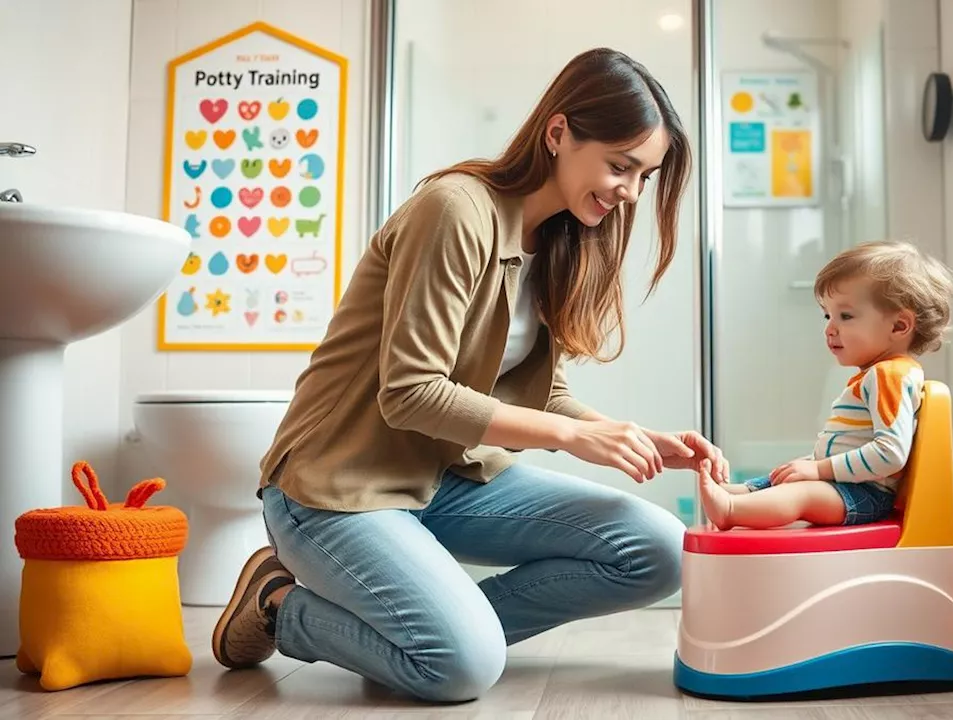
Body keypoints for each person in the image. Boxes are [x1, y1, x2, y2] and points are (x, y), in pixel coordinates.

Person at [209, 47, 729, 703]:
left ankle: (428, 633)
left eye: (644, 176)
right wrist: (570, 441)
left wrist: (630, 435)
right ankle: (282, 605)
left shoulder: (563, 240)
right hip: (338, 485)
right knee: (461, 668)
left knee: (658, 548)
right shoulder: (456, 210)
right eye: (620, 166)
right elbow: (410, 392)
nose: (629, 191)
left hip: (447, 481)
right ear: (559, 133)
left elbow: (546, 392)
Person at [698, 240, 953, 531]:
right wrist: (808, 466)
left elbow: (890, 455)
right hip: (851, 486)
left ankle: (731, 510)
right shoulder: (879, 375)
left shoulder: (889, 377)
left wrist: (817, 469)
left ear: (898, 326)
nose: (830, 328)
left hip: (867, 495)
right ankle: (738, 495)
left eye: (845, 316)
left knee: (802, 492)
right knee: (787, 474)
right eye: (827, 315)